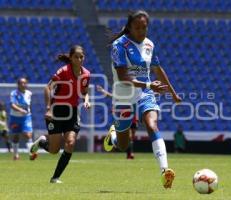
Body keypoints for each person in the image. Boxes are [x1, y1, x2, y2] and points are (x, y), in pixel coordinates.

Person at [103, 10, 181, 189]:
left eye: (144, 27)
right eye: (137, 27)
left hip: (146, 93)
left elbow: (157, 69)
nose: (141, 31)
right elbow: (123, 76)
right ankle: (113, 136)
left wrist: (172, 92)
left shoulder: (149, 45)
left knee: (152, 126)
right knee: (123, 145)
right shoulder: (119, 45)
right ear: (129, 27)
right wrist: (148, 86)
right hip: (124, 93)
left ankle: (165, 171)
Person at [29, 45, 91, 183]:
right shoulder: (63, 71)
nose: (80, 59)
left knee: (70, 143)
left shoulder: (86, 74)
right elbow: (48, 87)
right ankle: (42, 142)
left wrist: (87, 100)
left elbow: (85, 92)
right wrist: (48, 108)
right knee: (54, 150)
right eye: (76, 57)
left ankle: (55, 177)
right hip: (56, 111)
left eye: (82, 57)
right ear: (71, 58)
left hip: (72, 112)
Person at [97, 85, 137, 159]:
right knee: (129, 136)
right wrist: (103, 91)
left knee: (131, 137)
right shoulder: (121, 96)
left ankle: (114, 137)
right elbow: (112, 96)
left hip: (133, 117)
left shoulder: (133, 95)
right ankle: (130, 154)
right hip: (123, 117)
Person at [9, 78, 33, 160]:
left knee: (28, 134)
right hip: (15, 117)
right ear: (18, 84)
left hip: (26, 117)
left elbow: (29, 105)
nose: (23, 84)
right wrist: (21, 110)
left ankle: (31, 154)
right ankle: (16, 155)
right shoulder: (14, 93)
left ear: (26, 84)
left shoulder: (29, 93)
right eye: (21, 83)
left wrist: (28, 111)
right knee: (16, 136)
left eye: (24, 83)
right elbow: (12, 105)